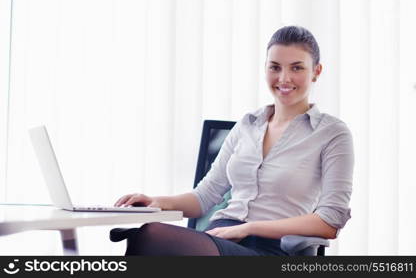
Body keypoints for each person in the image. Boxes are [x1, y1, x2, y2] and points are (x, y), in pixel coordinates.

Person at [114, 25, 354, 256]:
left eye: (297, 68)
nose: (284, 77)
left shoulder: (332, 133)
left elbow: (329, 222)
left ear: (317, 71)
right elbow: (204, 197)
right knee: (149, 236)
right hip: (218, 237)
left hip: (274, 248)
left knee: (152, 236)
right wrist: (157, 202)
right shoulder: (248, 125)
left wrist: (248, 228)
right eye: (275, 67)